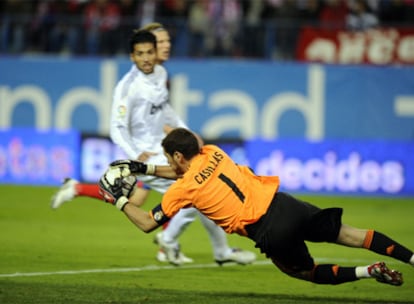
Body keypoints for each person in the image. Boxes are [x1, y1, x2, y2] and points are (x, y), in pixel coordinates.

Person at [99, 127, 414, 286]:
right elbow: (188, 152)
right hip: (286, 204)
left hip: (268, 229)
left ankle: (368, 271)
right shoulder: (213, 152)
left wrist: (119, 199)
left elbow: (146, 223)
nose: (169, 165)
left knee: (303, 271)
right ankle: (411, 257)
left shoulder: (182, 190)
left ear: (179, 158)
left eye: (168, 159)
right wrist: (146, 169)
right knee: (353, 235)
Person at [51, 27, 256, 266]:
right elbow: (117, 129)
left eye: (150, 51)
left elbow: (165, 109)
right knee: (197, 190)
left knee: (196, 192)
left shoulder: (159, 73)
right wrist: (136, 158)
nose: (147, 58)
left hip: (164, 150)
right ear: (132, 56)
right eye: (141, 53)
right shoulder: (127, 88)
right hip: (148, 157)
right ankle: (172, 242)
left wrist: (185, 132)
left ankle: (215, 251)